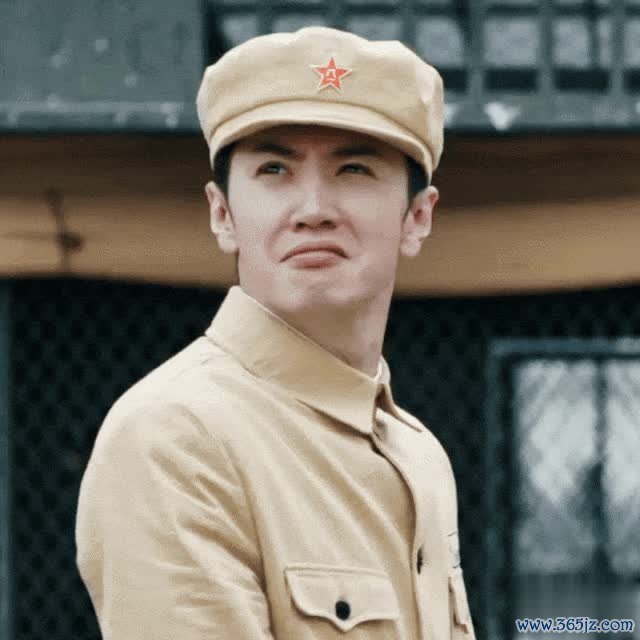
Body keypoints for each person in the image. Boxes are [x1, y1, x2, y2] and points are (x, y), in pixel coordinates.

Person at [75, 25, 475, 640]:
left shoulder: (417, 453)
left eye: (354, 168)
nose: (312, 209)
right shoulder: (177, 439)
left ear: (417, 217)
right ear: (222, 214)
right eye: (274, 169)